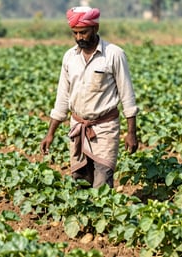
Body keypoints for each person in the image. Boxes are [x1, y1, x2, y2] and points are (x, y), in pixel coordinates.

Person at [40, 6, 139, 188]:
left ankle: (102, 216)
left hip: (105, 128)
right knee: (80, 180)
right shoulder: (69, 57)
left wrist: (131, 133)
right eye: (75, 33)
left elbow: (127, 96)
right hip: (78, 126)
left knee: (102, 182)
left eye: (83, 32)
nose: (79, 38)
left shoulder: (114, 55)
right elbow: (62, 98)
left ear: (95, 28)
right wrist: (50, 134)